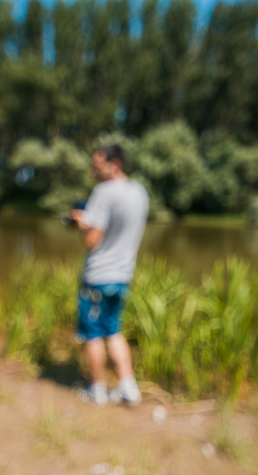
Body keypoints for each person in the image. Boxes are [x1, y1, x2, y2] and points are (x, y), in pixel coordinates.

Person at [70, 144, 149, 406]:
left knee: (92, 333)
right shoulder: (140, 192)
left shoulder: (103, 192)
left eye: (97, 166)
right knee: (113, 329)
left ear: (114, 164)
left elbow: (92, 240)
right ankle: (128, 387)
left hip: (98, 276)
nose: (92, 171)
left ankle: (98, 390)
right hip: (123, 274)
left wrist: (82, 224)